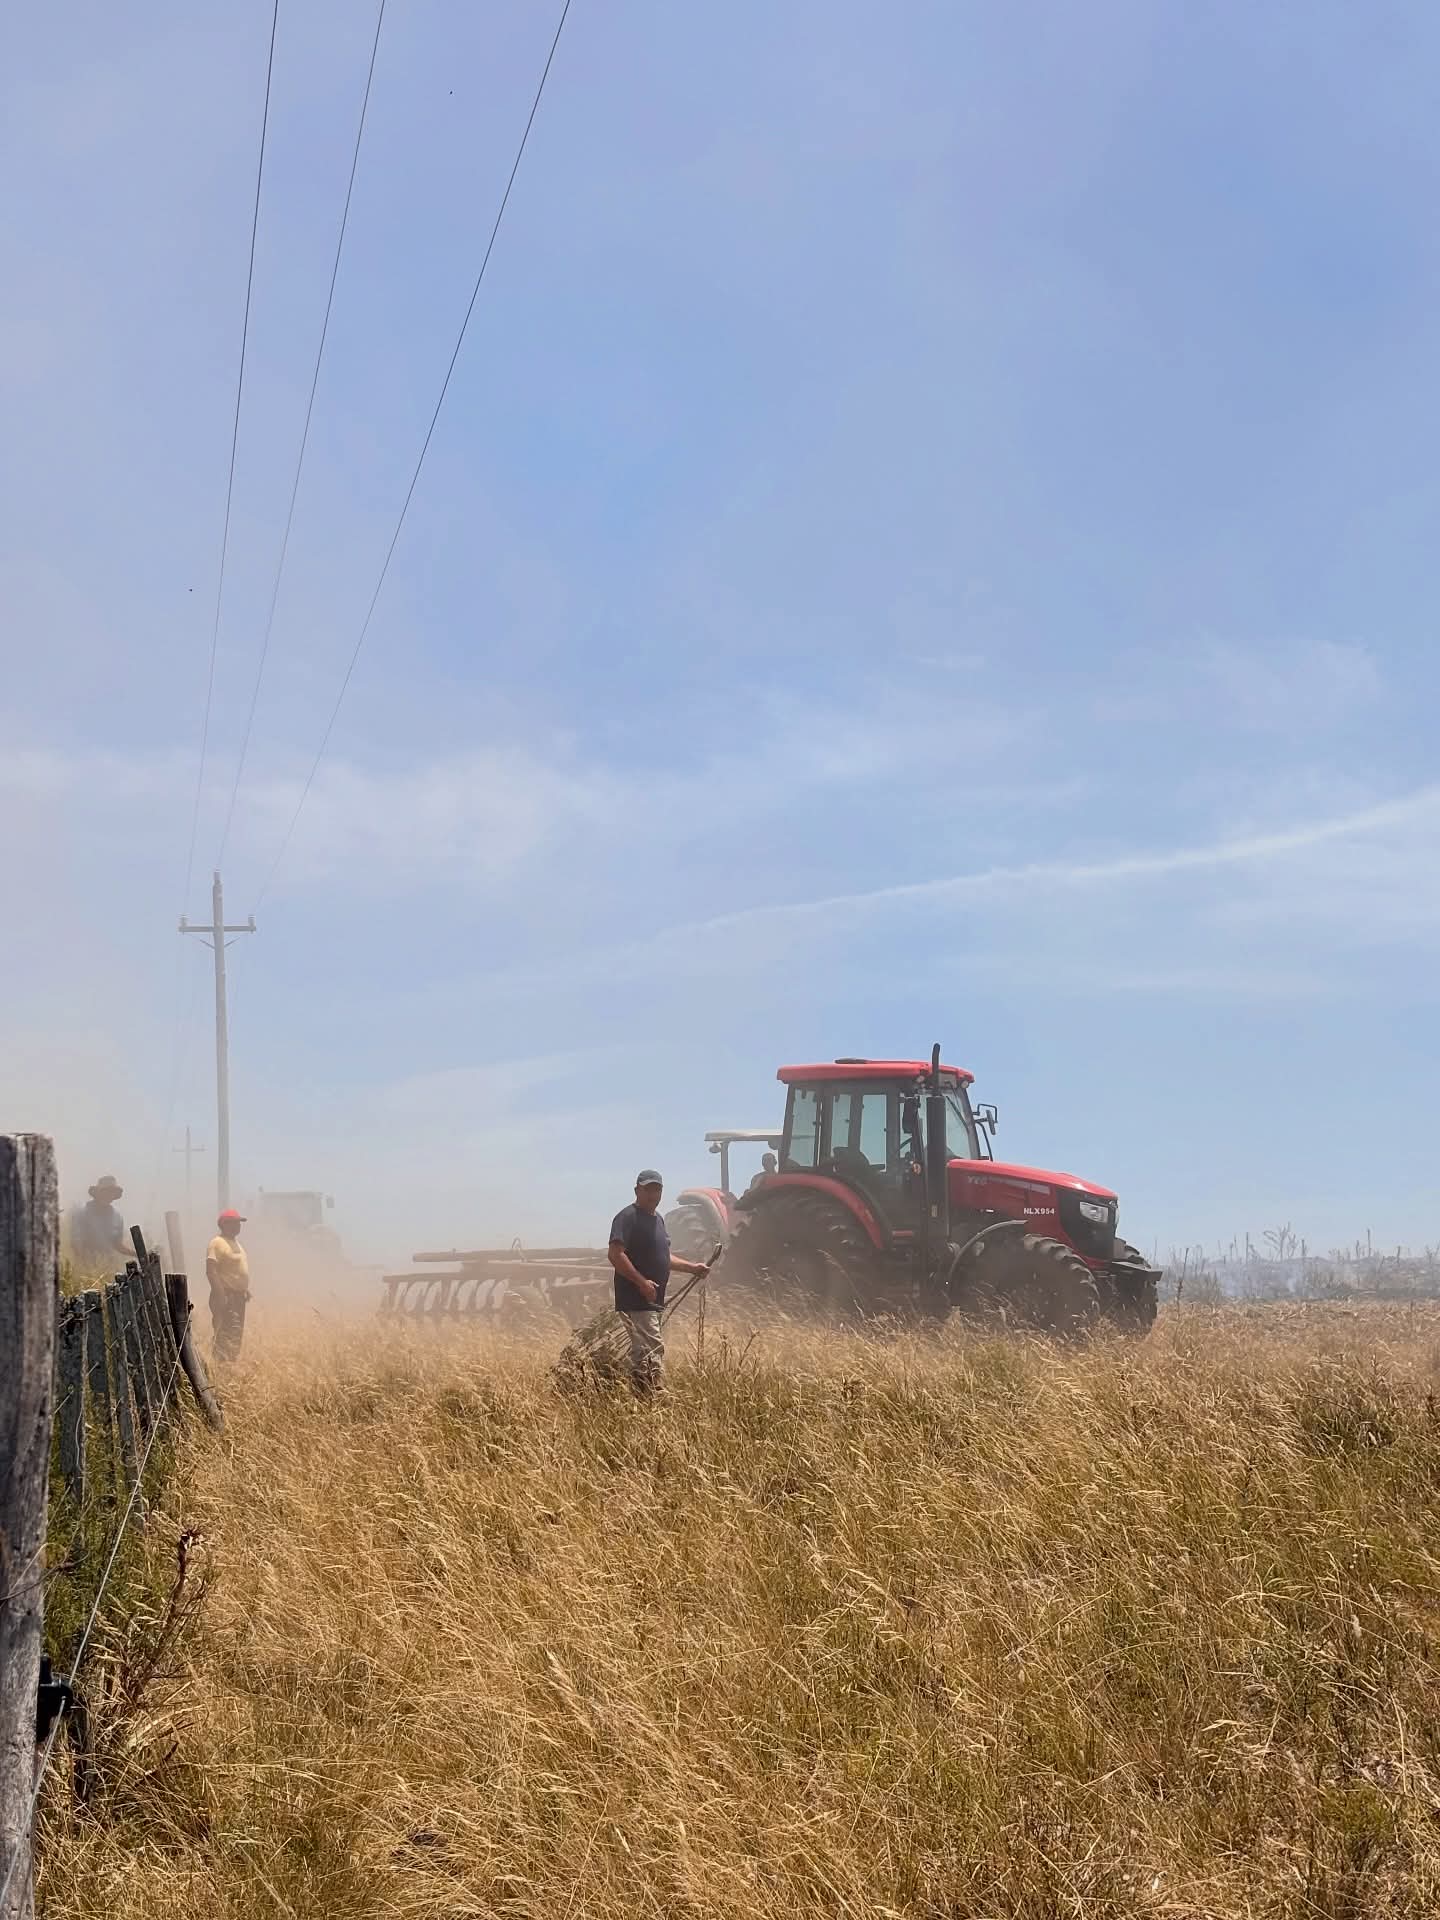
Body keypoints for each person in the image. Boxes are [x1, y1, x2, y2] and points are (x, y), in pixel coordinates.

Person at [607, 1170, 709, 1395]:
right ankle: (655, 1397)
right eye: (648, 1189)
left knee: (642, 1350)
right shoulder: (627, 1217)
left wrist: (692, 1268)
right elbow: (615, 1254)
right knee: (652, 1348)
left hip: (651, 1299)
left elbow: (663, 1257)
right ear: (637, 1190)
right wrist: (642, 1282)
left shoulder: (658, 1220)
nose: (653, 1194)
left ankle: (640, 1395)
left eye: (657, 1189)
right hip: (636, 1297)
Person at [206, 1208, 250, 1361]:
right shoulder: (217, 1243)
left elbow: (236, 1270)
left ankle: (230, 1368)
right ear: (224, 1224)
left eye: (239, 1223)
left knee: (236, 1333)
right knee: (226, 1333)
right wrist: (221, 1296)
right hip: (226, 1296)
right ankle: (221, 1369)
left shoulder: (236, 1243)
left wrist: (244, 1289)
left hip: (237, 1297)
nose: (238, 1226)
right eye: (234, 1223)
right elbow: (211, 1271)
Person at [69, 1175, 128, 1272]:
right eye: (105, 1192)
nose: (108, 1195)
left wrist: (138, 1254)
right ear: (97, 1193)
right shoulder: (82, 1212)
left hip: (108, 1268)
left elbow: (118, 1245)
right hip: (86, 1270)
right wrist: (86, 1265)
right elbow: (76, 1242)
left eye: (111, 1192)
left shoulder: (117, 1217)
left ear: (114, 1195)